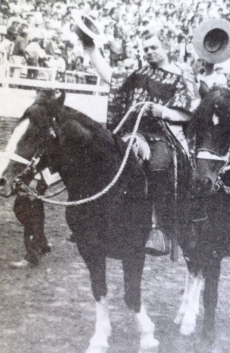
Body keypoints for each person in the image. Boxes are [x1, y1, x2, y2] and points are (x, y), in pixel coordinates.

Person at [80, 28, 198, 256]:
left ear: (167, 47)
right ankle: (95, 220)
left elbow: (190, 112)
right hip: (132, 132)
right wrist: (92, 50)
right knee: (100, 158)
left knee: (158, 165)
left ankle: (160, 229)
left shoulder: (182, 75)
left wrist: (163, 111)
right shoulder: (138, 74)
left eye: (154, 47)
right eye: (145, 49)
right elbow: (110, 77)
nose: (149, 52)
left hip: (163, 135)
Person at [9, 172, 53, 269]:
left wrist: (36, 179)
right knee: (20, 210)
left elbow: (43, 160)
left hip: (37, 178)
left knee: (31, 217)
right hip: (27, 175)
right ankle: (42, 243)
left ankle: (31, 258)